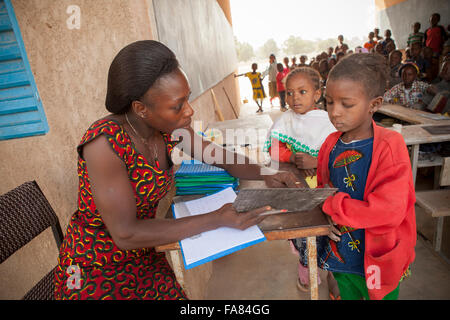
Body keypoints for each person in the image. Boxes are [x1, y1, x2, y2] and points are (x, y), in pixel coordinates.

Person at [54, 40, 302, 300]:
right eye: (178, 105)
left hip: (146, 253)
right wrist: (216, 218)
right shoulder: (104, 144)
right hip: (94, 267)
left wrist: (267, 173)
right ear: (140, 109)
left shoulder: (169, 129)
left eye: (187, 98)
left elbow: (221, 158)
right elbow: (125, 234)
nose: (189, 110)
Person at [318, 53, 416, 300]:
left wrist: (332, 206)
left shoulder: (389, 145)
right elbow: (323, 189)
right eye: (329, 102)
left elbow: (388, 211)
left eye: (346, 104)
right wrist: (324, 218)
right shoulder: (330, 144)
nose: (335, 112)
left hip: (380, 259)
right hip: (342, 255)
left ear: (374, 104)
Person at [263, 67, 338, 298]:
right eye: (289, 92)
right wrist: (292, 157)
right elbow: (273, 149)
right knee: (304, 231)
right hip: (297, 186)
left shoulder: (328, 121)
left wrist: (315, 160)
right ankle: (306, 269)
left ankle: (335, 274)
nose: (294, 98)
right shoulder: (286, 119)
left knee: (332, 230)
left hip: (325, 187)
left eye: (302, 91)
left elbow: (340, 153)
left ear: (317, 94)